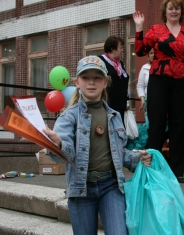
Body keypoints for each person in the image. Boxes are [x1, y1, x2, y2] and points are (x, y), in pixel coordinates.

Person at [43, 55, 151, 235]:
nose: (91, 82)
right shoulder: (68, 117)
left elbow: (119, 153)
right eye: (85, 77)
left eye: (97, 78)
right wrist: (59, 144)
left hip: (111, 186)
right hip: (81, 189)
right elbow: (62, 153)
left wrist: (138, 158)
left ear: (105, 82)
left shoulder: (115, 116)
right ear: (77, 82)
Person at [133, 0, 184, 183]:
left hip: (181, 82)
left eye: (177, 8)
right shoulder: (156, 30)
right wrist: (139, 27)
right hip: (158, 81)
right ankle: (150, 169)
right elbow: (141, 51)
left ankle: (176, 172)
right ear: (164, 11)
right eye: (170, 8)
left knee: (178, 125)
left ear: (181, 12)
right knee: (156, 125)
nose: (174, 11)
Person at [98, 36, 129, 125]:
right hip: (107, 105)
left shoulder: (120, 64)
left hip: (120, 106)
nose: (122, 50)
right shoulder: (101, 61)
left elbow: (123, 83)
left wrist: (126, 101)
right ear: (112, 49)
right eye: (120, 47)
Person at [136, 48, 154, 115]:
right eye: (151, 53)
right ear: (148, 55)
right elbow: (140, 86)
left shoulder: (163, 67)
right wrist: (142, 99)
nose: (153, 55)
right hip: (148, 101)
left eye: (155, 53)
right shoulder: (144, 68)